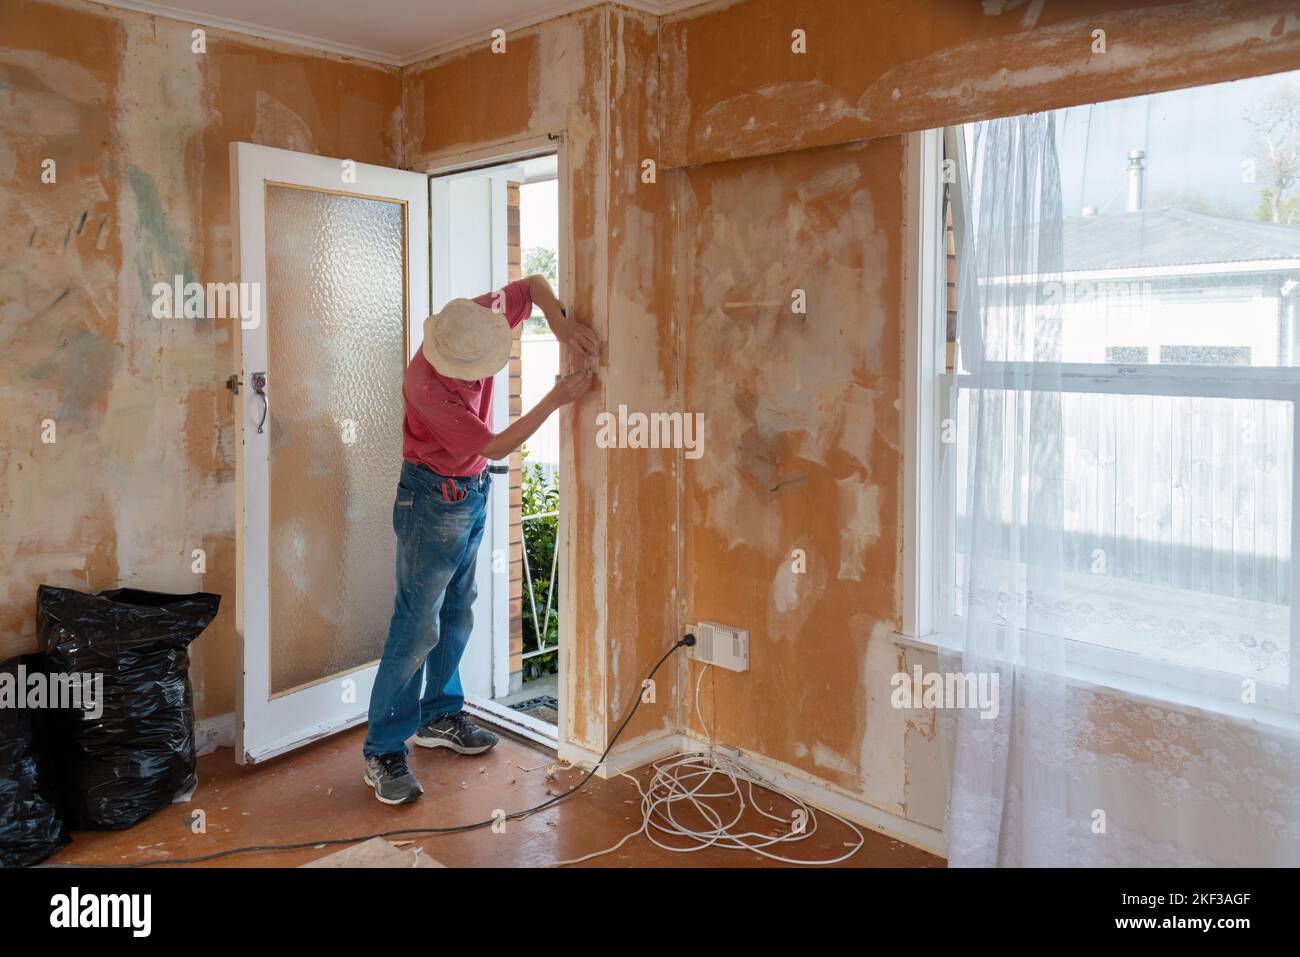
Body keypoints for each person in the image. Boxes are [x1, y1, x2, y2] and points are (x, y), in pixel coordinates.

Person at [363, 274, 597, 804]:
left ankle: (440, 716)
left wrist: (559, 325)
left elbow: (534, 284)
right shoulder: (425, 386)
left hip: (469, 492)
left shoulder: (477, 318)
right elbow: (494, 445)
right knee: (416, 623)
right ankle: (383, 750)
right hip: (430, 497)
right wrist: (557, 396)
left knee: (459, 610)